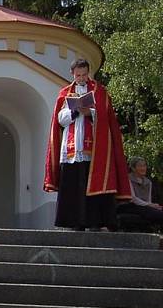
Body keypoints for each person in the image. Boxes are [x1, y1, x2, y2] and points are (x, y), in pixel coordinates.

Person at [44, 59, 132, 230]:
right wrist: (76, 111)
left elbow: (107, 120)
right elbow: (60, 120)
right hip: (71, 150)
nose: (82, 78)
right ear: (73, 74)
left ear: (88, 73)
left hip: (94, 150)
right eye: (78, 75)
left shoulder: (100, 92)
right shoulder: (64, 93)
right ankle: (75, 223)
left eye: (84, 75)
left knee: (92, 185)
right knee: (73, 187)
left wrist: (90, 112)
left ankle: (94, 222)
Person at [116, 157, 163, 228]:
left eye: (144, 165)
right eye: (140, 166)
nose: (143, 168)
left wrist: (152, 205)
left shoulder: (148, 182)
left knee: (157, 210)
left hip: (143, 206)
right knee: (155, 213)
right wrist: (150, 205)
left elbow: (148, 200)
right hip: (128, 205)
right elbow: (133, 198)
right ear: (133, 168)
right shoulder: (128, 179)